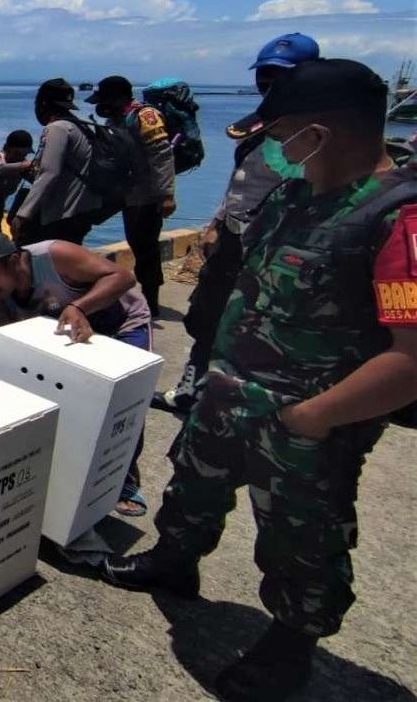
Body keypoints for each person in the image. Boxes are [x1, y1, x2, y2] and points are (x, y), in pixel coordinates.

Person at [102, 59, 417, 701]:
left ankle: (292, 642)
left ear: (323, 130)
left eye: (280, 131)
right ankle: (174, 562)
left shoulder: (398, 219)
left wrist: (317, 415)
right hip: (229, 388)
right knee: (193, 483)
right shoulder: (293, 195)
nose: (268, 145)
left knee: (302, 532)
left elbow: (411, 355)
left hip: (309, 415)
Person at [153, 32, 321, 413]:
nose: (268, 83)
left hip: (274, 244)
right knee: (206, 314)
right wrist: (215, 223)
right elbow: (239, 182)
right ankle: (191, 389)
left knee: (257, 326)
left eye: (280, 75)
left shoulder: (315, 133)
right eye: (264, 74)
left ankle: (236, 396)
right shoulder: (259, 124)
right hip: (233, 235)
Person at [0, 231, 154, 516]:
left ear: (14, 261)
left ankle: (124, 479)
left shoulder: (55, 256)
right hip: (69, 339)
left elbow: (123, 277)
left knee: (123, 406)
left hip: (120, 324)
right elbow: (13, 347)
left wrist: (78, 306)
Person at [87, 76, 177, 316]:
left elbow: (162, 155)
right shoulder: (116, 119)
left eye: (105, 99)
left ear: (118, 98)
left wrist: (166, 194)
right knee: (136, 243)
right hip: (128, 194)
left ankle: (151, 299)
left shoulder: (145, 116)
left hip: (148, 196)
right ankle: (143, 295)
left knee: (146, 247)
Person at [11, 79, 107, 245]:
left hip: (62, 213)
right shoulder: (81, 126)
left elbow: (49, 173)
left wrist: (23, 214)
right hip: (83, 209)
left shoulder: (57, 128)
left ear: (42, 104)